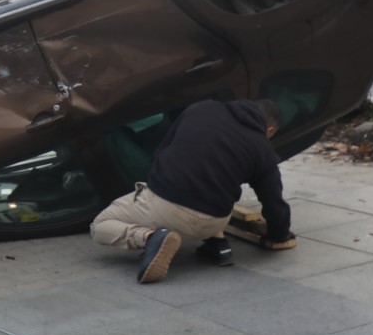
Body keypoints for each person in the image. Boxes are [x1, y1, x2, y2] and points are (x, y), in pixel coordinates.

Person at [90, 99, 292, 284]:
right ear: (270, 129)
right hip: (215, 218)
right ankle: (217, 244)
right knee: (216, 183)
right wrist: (278, 235)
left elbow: (164, 150)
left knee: (99, 225)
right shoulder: (263, 149)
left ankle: (149, 238)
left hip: (164, 207)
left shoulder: (201, 108)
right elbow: (273, 202)